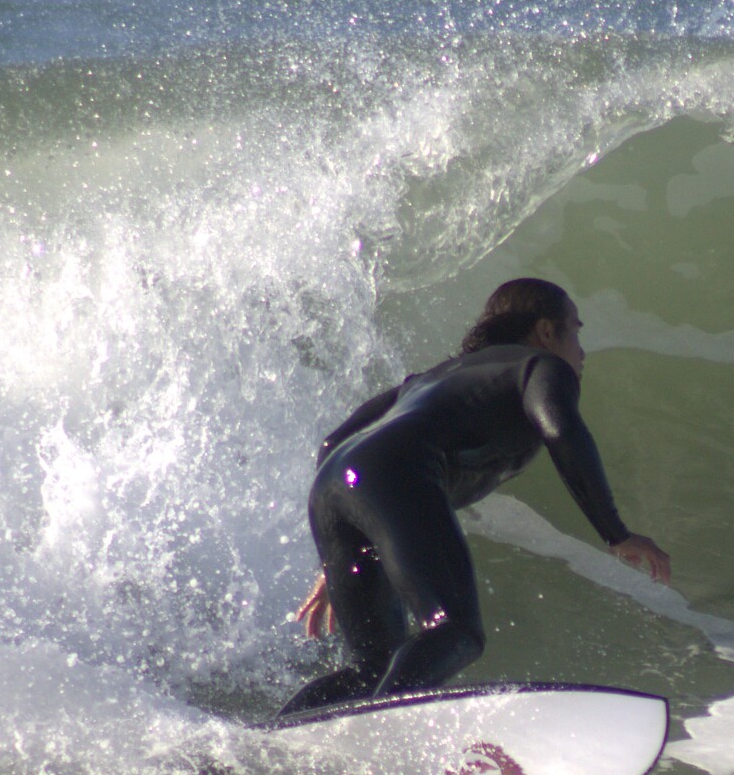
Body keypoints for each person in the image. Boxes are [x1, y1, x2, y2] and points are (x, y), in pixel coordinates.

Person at [280, 278, 670, 716]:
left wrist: (337, 549)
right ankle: (377, 732)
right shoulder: (540, 366)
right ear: (545, 331)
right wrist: (615, 533)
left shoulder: (434, 377)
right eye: (575, 331)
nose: (581, 351)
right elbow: (561, 431)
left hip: (332, 486)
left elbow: (333, 446)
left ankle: (273, 742)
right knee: (457, 632)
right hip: (398, 472)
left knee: (372, 669)